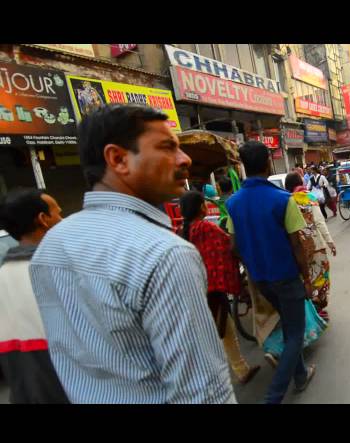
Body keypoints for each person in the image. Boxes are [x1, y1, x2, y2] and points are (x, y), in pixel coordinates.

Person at [29, 104, 235, 404]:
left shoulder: (53, 244)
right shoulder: (165, 254)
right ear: (118, 159)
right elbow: (204, 393)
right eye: (167, 147)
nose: (185, 158)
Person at [226, 141, 316, 404]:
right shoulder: (282, 200)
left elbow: (234, 246)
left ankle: (300, 376)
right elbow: (297, 245)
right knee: (296, 334)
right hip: (286, 277)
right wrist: (307, 279)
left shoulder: (233, 203)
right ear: (267, 163)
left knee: (289, 326)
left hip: (261, 279)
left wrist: (255, 261)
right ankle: (273, 397)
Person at [179, 190, 261, 386]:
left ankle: (240, 370)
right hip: (212, 289)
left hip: (194, 289)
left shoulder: (183, 231)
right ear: (201, 207)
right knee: (218, 330)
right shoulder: (206, 227)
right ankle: (216, 377)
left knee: (224, 329)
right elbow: (229, 246)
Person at [0, 188, 68, 404]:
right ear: (43, 220)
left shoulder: (3, 277)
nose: (63, 219)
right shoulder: (60, 273)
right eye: (58, 213)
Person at [285, 171, 336, 317]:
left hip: (298, 248)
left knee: (305, 277)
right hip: (316, 245)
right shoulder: (310, 197)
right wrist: (330, 242)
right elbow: (320, 223)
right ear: (301, 183)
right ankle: (318, 306)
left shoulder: (287, 201)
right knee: (321, 275)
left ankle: (309, 309)